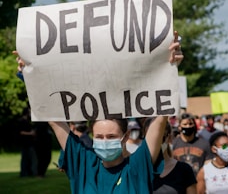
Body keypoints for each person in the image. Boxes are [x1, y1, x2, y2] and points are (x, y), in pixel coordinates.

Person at [15, 32, 183, 193]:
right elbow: (52, 117)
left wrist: (169, 67)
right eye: (99, 137)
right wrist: (30, 74)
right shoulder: (83, 164)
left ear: (124, 137)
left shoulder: (137, 166)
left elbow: (160, 119)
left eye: (111, 137)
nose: (104, 142)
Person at [153, 122, 197, 194]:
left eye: (161, 138)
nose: (156, 143)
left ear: (169, 138)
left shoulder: (184, 170)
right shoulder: (138, 170)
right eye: (151, 139)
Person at [18, 108, 38, 177]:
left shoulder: (28, 121)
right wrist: (31, 133)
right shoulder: (21, 121)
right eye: (29, 112)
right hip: (25, 143)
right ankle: (25, 173)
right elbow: (21, 132)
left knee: (28, 159)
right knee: (27, 159)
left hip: (30, 143)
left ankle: (28, 172)